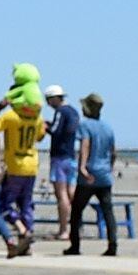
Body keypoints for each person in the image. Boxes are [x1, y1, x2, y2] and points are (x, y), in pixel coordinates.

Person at [0, 66, 45, 258]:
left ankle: (22, 230)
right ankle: (27, 243)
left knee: (6, 204)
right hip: (32, 163)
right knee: (26, 204)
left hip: (14, 164)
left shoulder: (11, 117)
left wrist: (0, 107)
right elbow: (40, 137)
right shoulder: (37, 118)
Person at [67, 93, 118, 256]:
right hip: (104, 175)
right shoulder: (108, 127)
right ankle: (113, 244)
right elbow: (113, 152)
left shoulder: (85, 125)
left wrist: (82, 167)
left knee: (76, 211)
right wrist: (109, 167)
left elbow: (85, 145)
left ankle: (75, 245)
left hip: (89, 174)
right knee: (108, 211)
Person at [44, 83, 81, 238]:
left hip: (60, 157)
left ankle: (64, 230)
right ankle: (76, 226)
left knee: (62, 195)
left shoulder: (61, 112)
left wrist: (45, 126)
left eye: (48, 100)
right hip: (72, 156)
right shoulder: (74, 112)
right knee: (72, 193)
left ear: (54, 99)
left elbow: (55, 131)